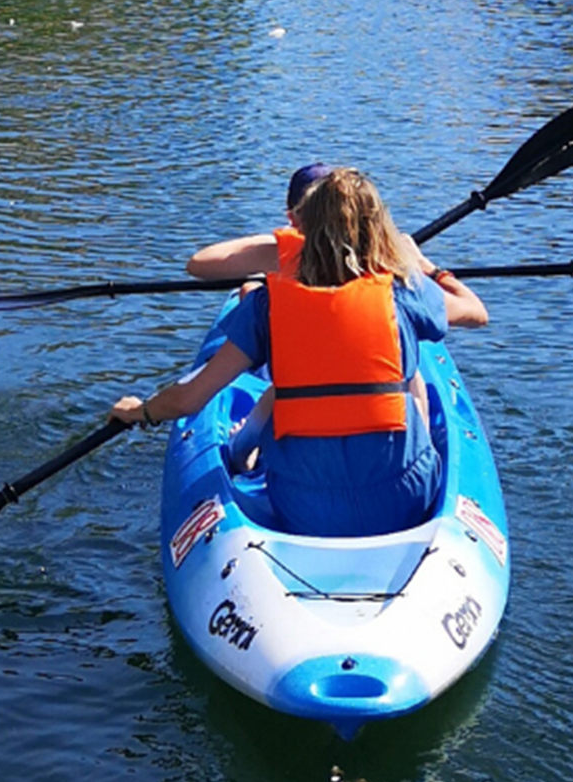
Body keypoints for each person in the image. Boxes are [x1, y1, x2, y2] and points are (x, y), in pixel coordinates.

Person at [111, 168, 488, 537]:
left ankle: (246, 450)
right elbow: (475, 311)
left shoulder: (266, 305)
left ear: (301, 229)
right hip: (404, 501)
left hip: (305, 510)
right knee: (412, 372)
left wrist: (140, 411)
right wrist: (426, 267)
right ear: (379, 229)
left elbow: (188, 399)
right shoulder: (405, 292)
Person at [185, 161, 332, 283]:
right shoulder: (354, 254)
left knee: (250, 287)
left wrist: (263, 241)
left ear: (292, 217)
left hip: (290, 315)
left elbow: (197, 264)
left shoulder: (279, 255)